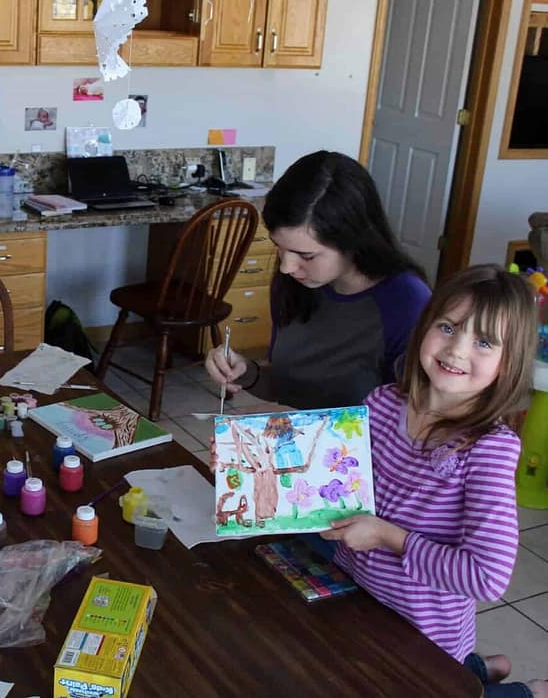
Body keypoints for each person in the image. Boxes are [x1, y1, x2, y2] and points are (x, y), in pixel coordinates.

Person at [320, 264, 545, 698]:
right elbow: (333, 483)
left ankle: (527, 691)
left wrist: (387, 536)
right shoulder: (381, 404)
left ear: (509, 362)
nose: (457, 350)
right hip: (356, 601)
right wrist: (253, 463)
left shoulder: (488, 449)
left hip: (424, 637)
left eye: (484, 342)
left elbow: (486, 577)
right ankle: (480, 666)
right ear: (425, 326)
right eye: (447, 327)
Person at [205, 150, 432, 410]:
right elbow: (290, 387)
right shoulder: (297, 282)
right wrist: (247, 372)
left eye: (306, 255)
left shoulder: (407, 303)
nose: (286, 267)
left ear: (353, 240)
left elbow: (415, 420)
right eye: (279, 247)